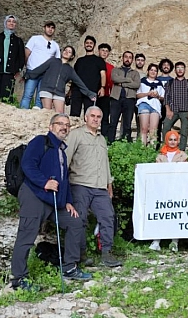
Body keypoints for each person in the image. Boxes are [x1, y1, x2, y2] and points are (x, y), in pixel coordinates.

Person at [10, 113, 91, 291]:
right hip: (34, 195)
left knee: (75, 222)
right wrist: (44, 182)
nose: (64, 127)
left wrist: (68, 201)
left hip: (54, 200)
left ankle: (69, 267)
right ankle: (18, 279)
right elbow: (28, 164)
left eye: (67, 125)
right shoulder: (40, 141)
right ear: (51, 126)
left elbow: (63, 180)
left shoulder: (61, 150)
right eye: (60, 124)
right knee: (26, 235)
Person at [65, 106, 122, 267]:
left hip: (100, 187)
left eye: (98, 117)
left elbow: (105, 163)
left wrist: (109, 184)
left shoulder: (102, 139)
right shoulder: (76, 135)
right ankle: (80, 254)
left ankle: (106, 253)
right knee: (79, 219)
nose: (96, 119)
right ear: (86, 118)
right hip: (80, 184)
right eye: (93, 116)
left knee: (108, 217)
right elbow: (65, 159)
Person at [25, 45, 96, 112]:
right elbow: (40, 69)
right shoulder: (53, 61)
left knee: (60, 114)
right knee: (47, 111)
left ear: (72, 56)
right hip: (46, 89)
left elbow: (79, 82)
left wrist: (89, 94)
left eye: (69, 52)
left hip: (59, 93)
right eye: (65, 50)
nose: (66, 52)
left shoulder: (70, 70)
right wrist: (27, 75)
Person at [150, 130, 188, 252]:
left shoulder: (183, 155)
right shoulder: (160, 156)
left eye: (175, 139)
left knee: (175, 215)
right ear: (166, 140)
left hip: (177, 189)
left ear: (178, 141)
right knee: (161, 214)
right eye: (170, 139)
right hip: (163, 189)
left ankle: (174, 242)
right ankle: (156, 241)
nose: (172, 142)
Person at [21, 21, 61, 109]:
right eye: (48, 27)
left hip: (46, 75)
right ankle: (22, 116)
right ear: (44, 28)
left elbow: (57, 62)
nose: (50, 29)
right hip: (32, 71)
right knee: (27, 95)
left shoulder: (55, 45)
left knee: (40, 98)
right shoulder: (35, 39)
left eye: (52, 28)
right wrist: (28, 66)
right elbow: (27, 53)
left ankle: (37, 119)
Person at [0, 15, 25, 101]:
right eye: (9, 21)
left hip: (9, 72)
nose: (11, 23)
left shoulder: (18, 40)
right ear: (5, 23)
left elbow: (21, 57)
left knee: (6, 95)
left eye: (13, 21)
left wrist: (18, 69)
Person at [163, 61, 188, 151]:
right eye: (178, 68)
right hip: (173, 110)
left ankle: (181, 151)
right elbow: (166, 97)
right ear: (175, 70)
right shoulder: (170, 83)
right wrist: (168, 110)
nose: (180, 70)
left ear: (185, 70)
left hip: (186, 110)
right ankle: (166, 149)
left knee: (184, 132)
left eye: (182, 68)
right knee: (166, 127)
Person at [69, 36, 106, 117]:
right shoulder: (79, 60)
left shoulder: (99, 60)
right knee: (74, 114)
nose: (89, 45)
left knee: (90, 114)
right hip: (77, 90)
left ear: (94, 45)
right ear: (84, 45)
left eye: (91, 43)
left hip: (91, 90)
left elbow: (103, 75)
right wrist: (70, 90)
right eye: (87, 43)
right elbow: (74, 76)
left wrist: (102, 87)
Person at [109, 51, 141, 143]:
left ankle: (125, 142)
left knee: (127, 124)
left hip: (129, 100)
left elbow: (136, 84)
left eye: (130, 57)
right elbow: (114, 78)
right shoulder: (116, 70)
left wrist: (121, 84)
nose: (127, 59)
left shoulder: (135, 73)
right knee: (113, 122)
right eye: (126, 57)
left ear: (132, 60)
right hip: (116, 98)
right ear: (122, 58)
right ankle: (110, 142)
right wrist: (128, 80)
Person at [136, 63, 165, 145]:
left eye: (155, 71)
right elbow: (137, 95)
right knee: (144, 128)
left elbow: (163, 97)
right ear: (148, 71)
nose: (153, 72)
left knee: (153, 130)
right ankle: (142, 150)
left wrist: (158, 96)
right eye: (151, 70)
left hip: (155, 106)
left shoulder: (159, 83)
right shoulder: (142, 81)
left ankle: (151, 151)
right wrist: (147, 94)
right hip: (144, 103)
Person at [155, 58, 175, 145]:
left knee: (167, 126)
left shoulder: (173, 80)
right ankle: (157, 145)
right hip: (157, 105)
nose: (166, 66)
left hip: (168, 107)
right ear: (161, 67)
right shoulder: (156, 79)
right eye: (164, 65)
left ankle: (167, 145)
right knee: (157, 126)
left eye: (168, 65)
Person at [97, 44, 114, 138]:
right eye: (102, 50)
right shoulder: (93, 63)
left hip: (106, 95)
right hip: (93, 94)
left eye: (106, 51)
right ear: (98, 51)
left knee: (105, 117)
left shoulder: (110, 67)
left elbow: (112, 83)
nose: (104, 52)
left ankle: (104, 138)